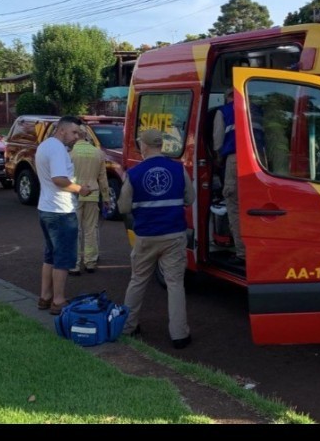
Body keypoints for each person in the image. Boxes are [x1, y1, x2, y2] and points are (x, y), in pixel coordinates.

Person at [118, 128, 195, 349]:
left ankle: (128, 327)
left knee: (138, 280)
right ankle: (179, 334)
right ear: (161, 145)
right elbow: (190, 198)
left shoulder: (135, 173)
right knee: (175, 284)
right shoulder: (178, 169)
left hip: (146, 236)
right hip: (174, 234)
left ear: (144, 146)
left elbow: (123, 207)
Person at [35, 115, 93, 315]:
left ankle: (45, 296)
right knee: (63, 257)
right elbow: (59, 178)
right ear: (62, 130)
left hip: (46, 208)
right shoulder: (59, 150)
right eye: (74, 132)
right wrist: (80, 189)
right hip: (61, 211)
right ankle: (58, 300)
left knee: (50, 255)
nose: (76, 137)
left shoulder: (44, 146)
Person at [69, 125, 111, 275]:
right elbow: (103, 178)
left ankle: (74, 264)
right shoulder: (98, 153)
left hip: (75, 194)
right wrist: (106, 197)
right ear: (87, 136)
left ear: (76, 136)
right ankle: (90, 262)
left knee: (75, 229)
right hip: (93, 193)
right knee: (91, 229)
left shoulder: (71, 154)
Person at [213, 88, 245, 266]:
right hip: (261, 161)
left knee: (233, 204)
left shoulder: (224, 111)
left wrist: (218, 160)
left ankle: (241, 253)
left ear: (229, 97)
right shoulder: (256, 108)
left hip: (235, 160)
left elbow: (217, 142)